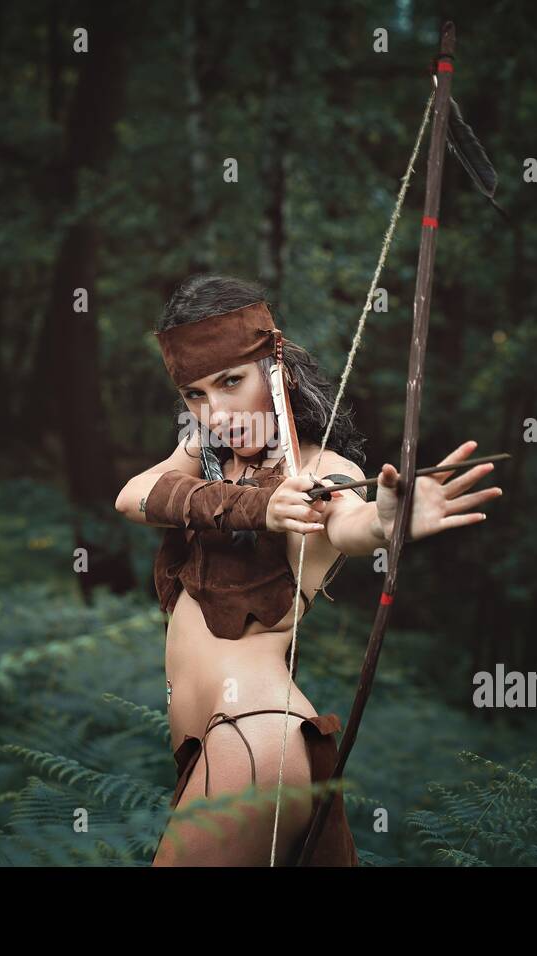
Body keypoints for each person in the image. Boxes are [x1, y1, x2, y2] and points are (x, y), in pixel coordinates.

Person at [115, 275, 503, 865]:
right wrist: (250, 503)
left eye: (229, 382)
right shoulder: (206, 455)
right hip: (216, 744)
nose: (214, 412)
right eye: (195, 394)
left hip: (254, 737)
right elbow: (134, 495)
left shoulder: (321, 467)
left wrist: (384, 522)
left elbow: (347, 522)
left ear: (278, 369)